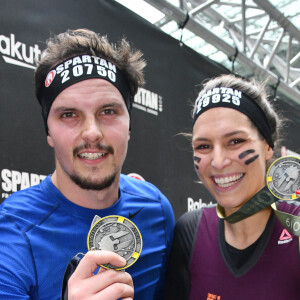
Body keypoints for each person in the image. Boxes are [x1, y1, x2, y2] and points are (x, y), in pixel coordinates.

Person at [0, 29, 174, 300]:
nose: (92, 132)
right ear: (48, 132)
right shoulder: (12, 231)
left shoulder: (157, 210)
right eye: (69, 114)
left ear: (130, 124)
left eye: (108, 111)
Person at [164, 74, 300, 299]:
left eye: (235, 141)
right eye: (204, 146)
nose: (218, 162)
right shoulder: (190, 231)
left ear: (267, 146)